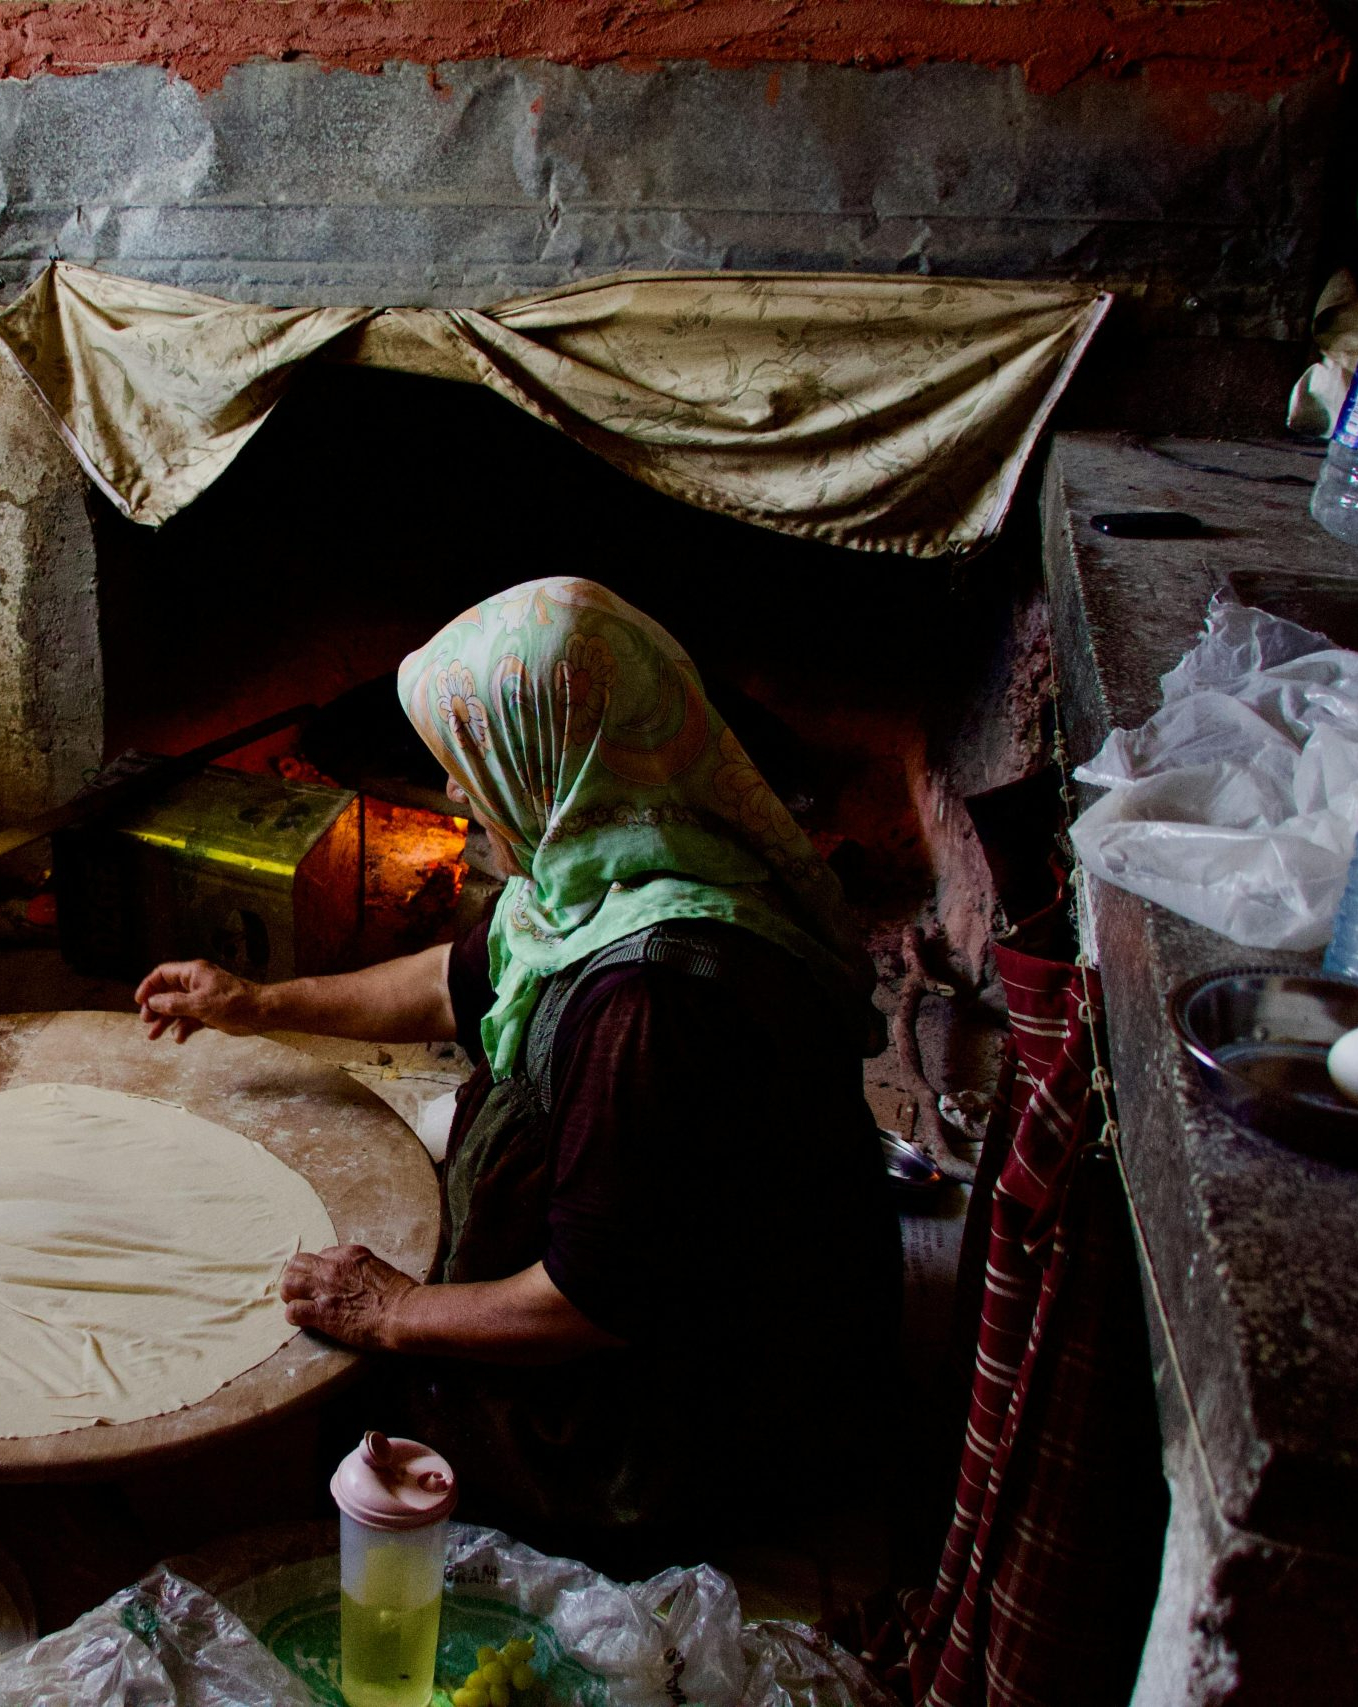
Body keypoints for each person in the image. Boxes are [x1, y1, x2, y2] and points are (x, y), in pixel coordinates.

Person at [136, 575, 900, 1549]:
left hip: (678, 1424)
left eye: (467, 762)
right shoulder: (622, 850)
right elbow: (454, 979)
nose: (455, 790)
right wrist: (258, 1005)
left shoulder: (652, 1006)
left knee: (323, 1410)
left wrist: (396, 1312)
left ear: (553, 760)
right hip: (649, 1302)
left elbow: (593, 1302)